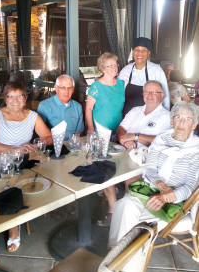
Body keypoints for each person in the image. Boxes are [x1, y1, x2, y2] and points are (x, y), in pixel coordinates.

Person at [108, 101, 199, 248]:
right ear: (171, 121)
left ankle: (116, 259)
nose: (182, 122)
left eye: (187, 119)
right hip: (151, 190)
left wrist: (166, 196)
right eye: (177, 117)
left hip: (174, 201)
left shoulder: (196, 149)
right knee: (124, 204)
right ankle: (116, 256)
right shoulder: (161, 139)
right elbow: (149, 170)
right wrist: (161, 185)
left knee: (128, 219)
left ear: (194, 125)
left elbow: (189, 186)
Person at [0, 81, 53, 266]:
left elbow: (49, 137)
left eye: (19, 96)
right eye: (10, 96)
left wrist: (35, 145)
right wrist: (14, 149)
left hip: (19, 162)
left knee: (16, 186)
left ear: (25, 98)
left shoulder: (32, 116)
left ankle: (14, 227)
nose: (15, 100)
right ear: (5, 99)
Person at [97, 81, 171, 227]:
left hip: (145, 157)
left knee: (131, 178)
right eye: (146, 92)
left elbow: (162, 141)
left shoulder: (166, 116)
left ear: (161, 95)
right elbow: (120, 129)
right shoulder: (135, 110)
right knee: (101, 167)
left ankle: (129, 216)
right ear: (143, 94)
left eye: (153, 92)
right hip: (124, 150)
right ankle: (114, 210)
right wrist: (124, 140)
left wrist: (135, 137)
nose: (149, 95)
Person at [119, 37, 170, 116]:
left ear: (149, 52)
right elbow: (118, 95)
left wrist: (166, 115)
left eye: (144, 50)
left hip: (150, 116)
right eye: (137, 50)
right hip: (127, 116)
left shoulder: (156, 70)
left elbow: (165, 95)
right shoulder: (125, 70)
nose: (140, 53)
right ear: (133, 52)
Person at [85, 52, 125, 136]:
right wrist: (91, 128)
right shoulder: (96, 86)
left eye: (115, 65)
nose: (114, 67)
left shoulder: (121, 84)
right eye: (110, 65)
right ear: (103, 68)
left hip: (119, 131)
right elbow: (88, 108)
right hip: (101, 131)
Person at [37, 74, 84, 140]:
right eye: (63, 88)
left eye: (69, 88)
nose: (66, 92)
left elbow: (80, 133)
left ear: (73, 90)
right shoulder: (44, 106)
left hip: (72, 146)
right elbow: (41, 135)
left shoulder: (78, 107)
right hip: (52, 147)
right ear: (56, 88)